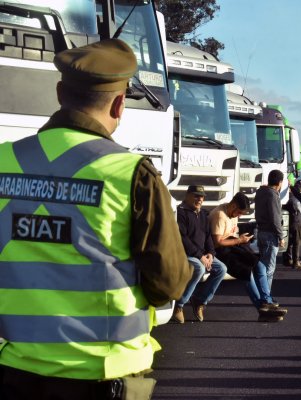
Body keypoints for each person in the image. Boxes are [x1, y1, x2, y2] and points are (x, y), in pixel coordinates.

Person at [0, 39, 192, 399]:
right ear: (120, 104)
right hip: (103, 375)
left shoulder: (3, 161)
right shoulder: (131, 174)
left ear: (60, 93)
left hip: (14, 371)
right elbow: (169, 283)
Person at [209, 192, 287, 322]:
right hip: (221, 251)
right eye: (239, 212)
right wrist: (239, 240)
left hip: (234, 246)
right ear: (233, 205)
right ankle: (262, 308)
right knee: (246, 272)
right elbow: (217, 242)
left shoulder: (231, 212)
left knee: (260, 265)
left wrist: (243, 239)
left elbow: (233, 234)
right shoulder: (219, 215)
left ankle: (267, 301)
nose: (239, 216)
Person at [171, 185, 228, 324]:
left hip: (202, 255)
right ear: (187, 195)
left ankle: (200, 300)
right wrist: (200, 256)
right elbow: (182, 238)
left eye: (202, 197)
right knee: (199, 268)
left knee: (222, 269)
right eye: (196, 196)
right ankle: (179, 305)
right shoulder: (180, 213)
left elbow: (208, 236)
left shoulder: (203, 214)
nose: (200, 199)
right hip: (185, 254)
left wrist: (210, 253)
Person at [255, 170, 287, 288]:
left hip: (261, 232)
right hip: (270, 235)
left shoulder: (260, 192)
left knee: (263, 266)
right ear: (279, 182)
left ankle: (263, 294)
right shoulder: (273, 195)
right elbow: (275, 218)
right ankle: (266, 297)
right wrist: (281, 236)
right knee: (269, 269)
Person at [283, 180, 301, 270]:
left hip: (288, 222)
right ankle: (296, 262)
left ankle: (288, 259)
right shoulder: (297, 199)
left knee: (289, 241)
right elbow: (299, 212)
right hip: (296, 223)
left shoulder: (287, 197)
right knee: (297, 242)